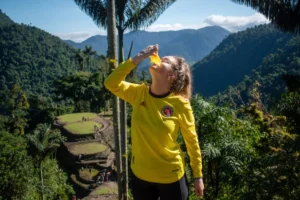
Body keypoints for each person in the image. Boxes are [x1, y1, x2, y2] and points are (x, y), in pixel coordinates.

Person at [104, 44, 204, 200]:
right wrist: (137, 58)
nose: (159, 58)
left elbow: (192, 141)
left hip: (171, 177)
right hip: (140, 176)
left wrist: (198, 176)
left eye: (165, 60)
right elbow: (110, 83)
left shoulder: (180, 104)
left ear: (172, 76)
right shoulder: (139, 94)